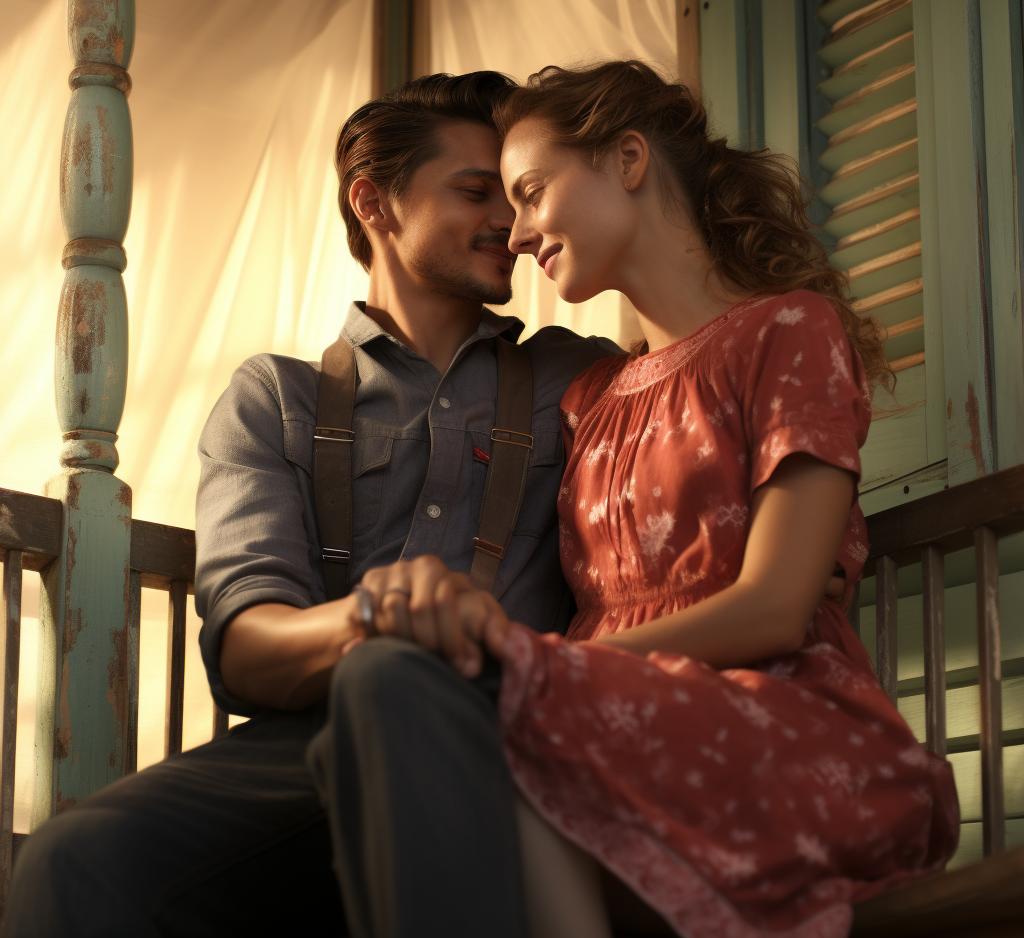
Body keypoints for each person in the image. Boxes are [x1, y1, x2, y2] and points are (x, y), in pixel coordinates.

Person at [342, 61, 961, 938]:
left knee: (487, 738)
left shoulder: (787, 332)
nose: (515, 235)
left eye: (529, 192)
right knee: (431, 722)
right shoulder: (587, 398)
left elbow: (780, 609)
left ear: (628, 159)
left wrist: (546, 666)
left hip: (769, 716)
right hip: (598, 720)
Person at [2, 71, 619, 938]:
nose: (511, 227)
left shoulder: (580, 376)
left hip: (509, 728)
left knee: (395, 680)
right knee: (74, 859)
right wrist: (380, 616)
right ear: (375, 203)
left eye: (515, 199)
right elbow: (248, 645)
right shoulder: (274, 398)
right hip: (306, 749)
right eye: (477, 192)